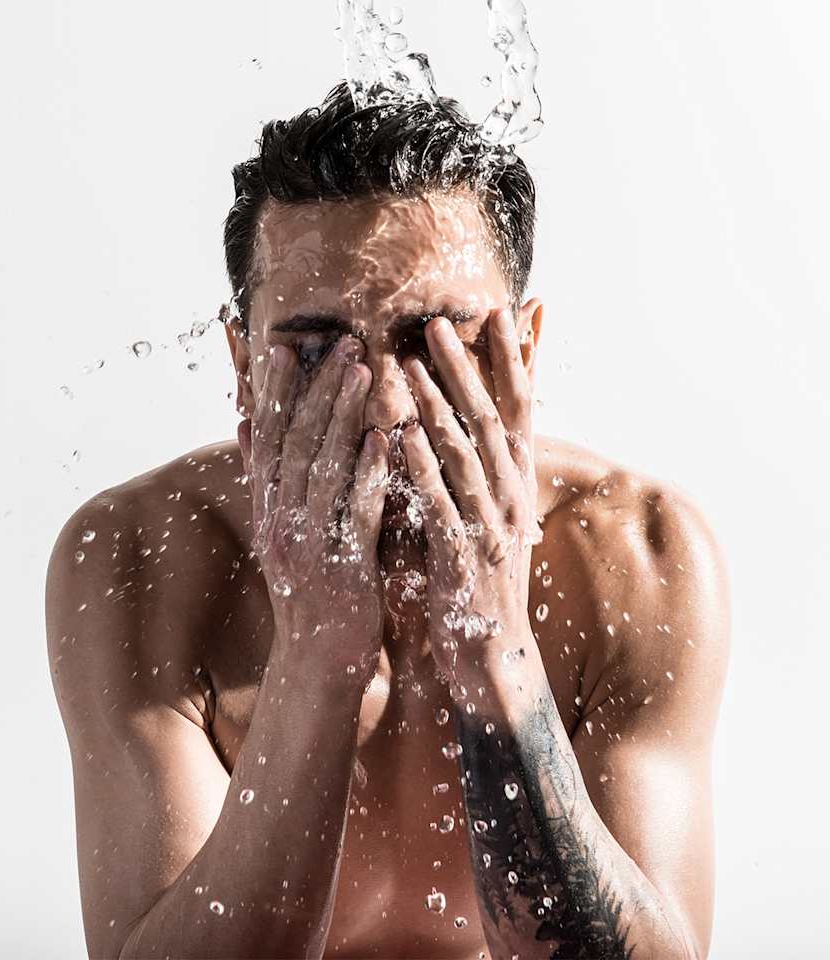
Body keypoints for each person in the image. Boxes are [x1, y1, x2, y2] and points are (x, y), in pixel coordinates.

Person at [46, 82, 730, 960]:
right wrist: (317, 661)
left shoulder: (639, 555)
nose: (389, 405)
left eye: (435, 339)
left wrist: (496, 648)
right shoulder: (140, 560)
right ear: (245, 370)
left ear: (521, 350)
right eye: (318, 349)